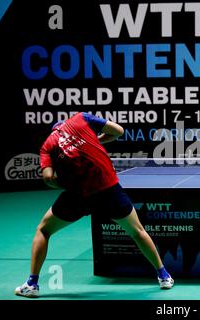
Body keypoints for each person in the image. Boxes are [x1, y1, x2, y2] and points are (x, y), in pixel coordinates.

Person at [15, 112, 174, 298]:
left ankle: (32, 284)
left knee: (43, 230)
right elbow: (118, 131)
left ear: (53, 131)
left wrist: (67, 183)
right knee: (137, 232)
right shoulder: (81, 118)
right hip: (108, 190)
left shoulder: (47, 146)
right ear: (64, 123)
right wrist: (97, 140)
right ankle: (163, 275)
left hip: (78, 196)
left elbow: (48, 178)